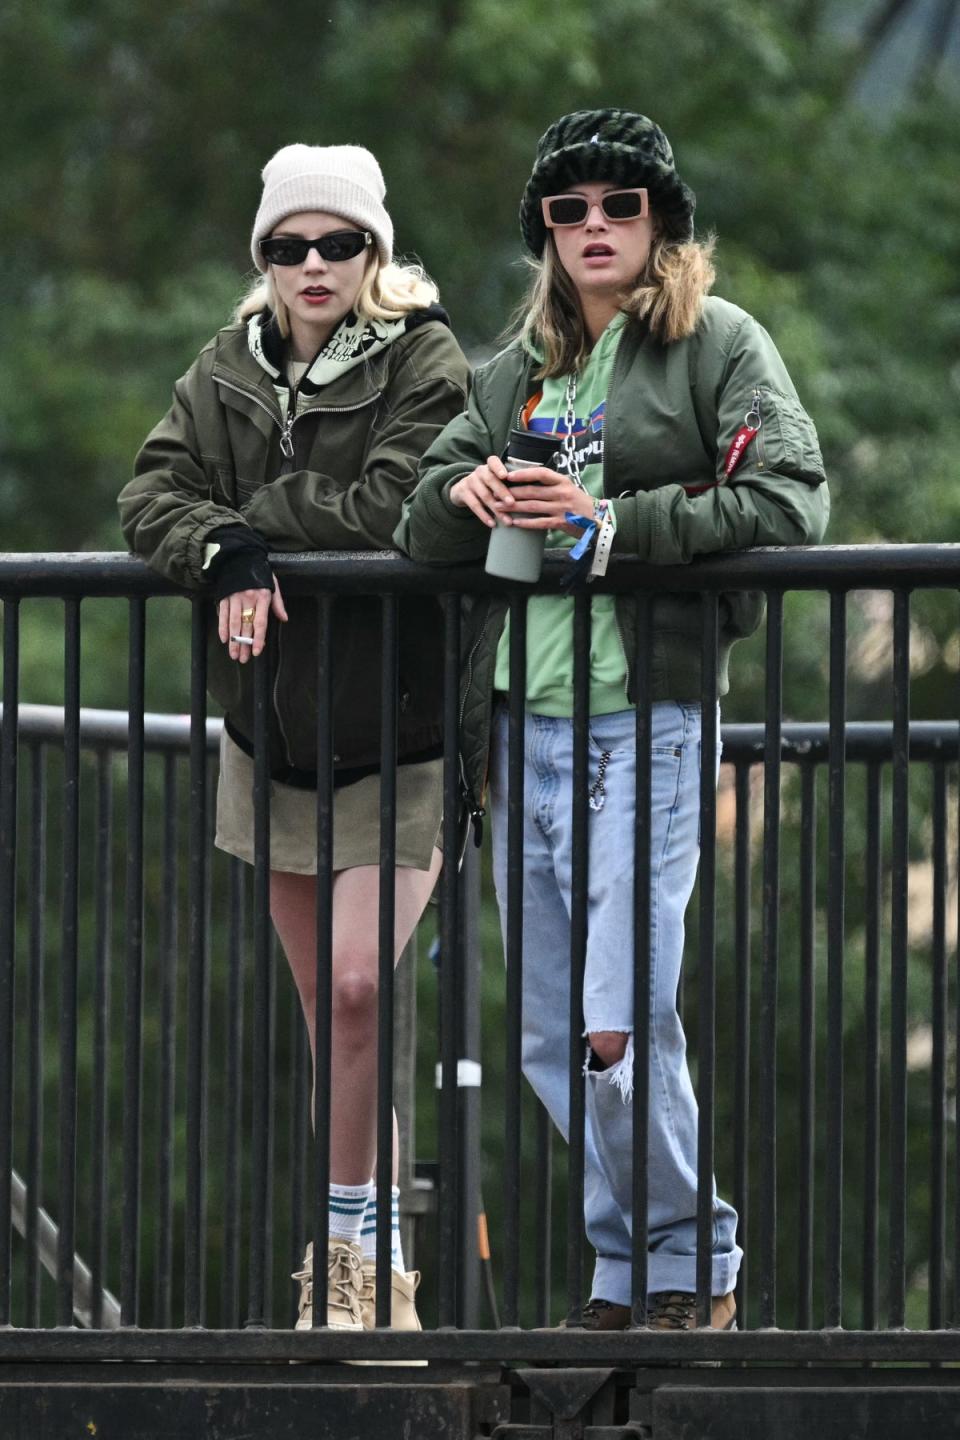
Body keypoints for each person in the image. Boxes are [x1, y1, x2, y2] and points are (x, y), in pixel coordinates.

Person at [396, 109, 828, 1330]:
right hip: (518, 734)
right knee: (548, 1041)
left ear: (661, 225)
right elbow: (417, 513)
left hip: (647, 725)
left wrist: (618, 527)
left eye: (618, 207)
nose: (593, 225)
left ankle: (693, 1263)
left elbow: (791, 495)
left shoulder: (716, 344)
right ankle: (631, 1269)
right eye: (567, 209)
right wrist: (464, 491)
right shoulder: (520, 366)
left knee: (616, 1027)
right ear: (545, 231)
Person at [118, 143, 470, 1335]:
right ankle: (368, 1257)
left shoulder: (424, 358)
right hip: (268, 737)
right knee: (332, 1016)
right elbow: (149, 495)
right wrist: (219, 550)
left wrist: (252, 530)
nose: (313, 264)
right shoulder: (223, 370)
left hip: (402, 729)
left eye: (339, 243)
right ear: (260, 256)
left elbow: (394, 503)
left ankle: (354, 1260)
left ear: (376, 254)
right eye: (288, 245)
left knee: (365, 988)